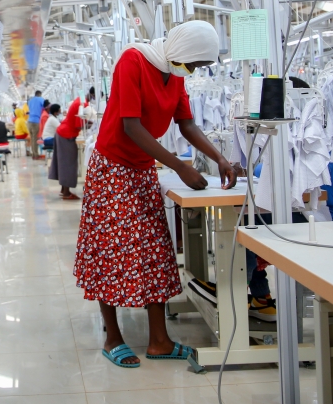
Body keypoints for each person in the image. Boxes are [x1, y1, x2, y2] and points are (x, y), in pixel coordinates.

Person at [74, 21, 237, 368]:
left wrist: (220, 158)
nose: (191, 71)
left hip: (142, 167)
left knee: (155, 250)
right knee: (111, 250)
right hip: (112, 167)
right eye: (193, 64)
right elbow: (131, 126)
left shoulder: (174, 73)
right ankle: (113, 337)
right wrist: (179, 167)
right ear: (182, 51)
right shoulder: (133, 61)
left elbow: (187, 124)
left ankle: (159, 340)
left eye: (198, 67)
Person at [50, 96, 85, 200]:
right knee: (68, 163)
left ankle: (63, 190)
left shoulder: (78, 101)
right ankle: (66, 193)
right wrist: (89, 124)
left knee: (64, 162)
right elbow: (78, 124)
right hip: (66, 135)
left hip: (62, 133)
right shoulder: (82, 105)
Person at [27, 90, 44, 159]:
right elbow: (45, 108)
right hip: (36, 121)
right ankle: (36, 155)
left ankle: (34, 154)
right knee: (35, 139)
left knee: (32, 138)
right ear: (40, 94)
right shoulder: (41, 99)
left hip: (29, 121)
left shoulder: (30, 101)